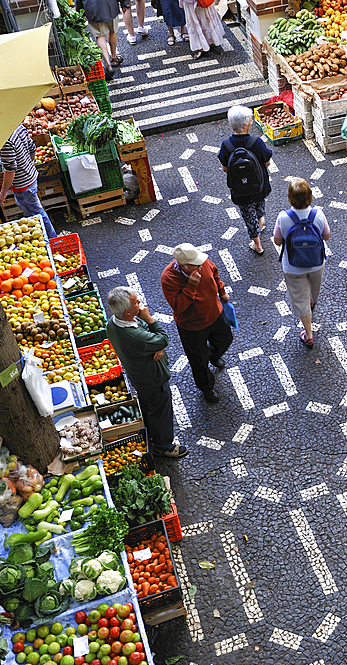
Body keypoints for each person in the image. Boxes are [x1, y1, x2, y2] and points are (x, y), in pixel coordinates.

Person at [105, 287, 188, 458]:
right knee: (161, 410)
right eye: (136, 303)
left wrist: (155, 347)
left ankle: (151, 432)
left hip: (138, 375)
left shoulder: (113, 323)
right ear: (128, 311)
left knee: (149, 406)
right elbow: (163, 338)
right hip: (153, 378)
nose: (140, 305)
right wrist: (150, 320)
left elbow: (151, 338)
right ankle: (164, 446)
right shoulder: (134, 336)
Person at [160, 244, 232, 403]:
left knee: (225, 339)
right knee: (199, 361)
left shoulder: (202, 263)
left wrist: (222, 291)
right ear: (184, 266)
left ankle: (213, 355)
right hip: (192, 326)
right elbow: (178, 306)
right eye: (195, 264)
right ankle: (207, 388)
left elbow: (215, 274)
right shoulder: (168, 278)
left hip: (215, 314)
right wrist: (191, 286)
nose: (200, 266)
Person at [273, 178, 330, 348]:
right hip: (316, 262)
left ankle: (309, 333)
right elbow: (326, 235)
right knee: (314, 287)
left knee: (299, 298)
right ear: (310, 196)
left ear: (290, 197)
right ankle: (312, 301)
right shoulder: (318, 214)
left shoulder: (283, 217)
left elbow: (277, 241)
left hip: (293, 266)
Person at [219, 105, 272, 255]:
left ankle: (257, 245)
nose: (251, 122)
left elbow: (225, 169)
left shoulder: (226, 145)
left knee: (248, 215)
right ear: (244, 125)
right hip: (260, 186)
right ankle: (260, 223)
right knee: (259, 204)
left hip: (240, 190)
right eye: (249, 120)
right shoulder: (257, 142)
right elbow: (267, 162)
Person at [0, 125, 57, 240]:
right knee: (36, 213)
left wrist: (3, 193)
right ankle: (47, 239)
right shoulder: (17, 126)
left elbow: (10, 170)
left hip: (23, 184)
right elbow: (32, 149)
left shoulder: (5, 142)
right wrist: (27, 165)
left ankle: (52, 240)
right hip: (31, 176)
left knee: (36, 216)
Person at [79, 0, 122, 73]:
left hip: (93, 9)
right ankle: (114, 58)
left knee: (100, 36)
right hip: (110, 7)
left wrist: (80, 9)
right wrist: (124, 3)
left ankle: (108, 64)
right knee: (112, 32)